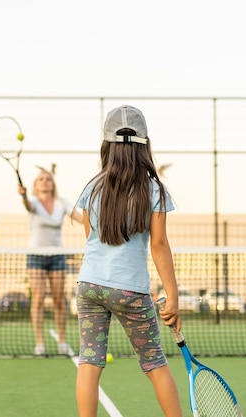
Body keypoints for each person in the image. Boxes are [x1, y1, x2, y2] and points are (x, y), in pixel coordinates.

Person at [74, 105, 183, 417]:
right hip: (130, 292)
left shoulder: (91, 187)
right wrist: (172, 296)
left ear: (106, 146)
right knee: (154, 364)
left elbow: (89, 236)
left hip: (90, 286)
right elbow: (159, 245)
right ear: (145, 146)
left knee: (89, 362)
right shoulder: (154, 190)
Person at [18, 169, 83, 356]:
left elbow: (79, 218)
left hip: (57, 255)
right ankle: (40, 343)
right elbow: (28, 206)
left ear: (53, 183)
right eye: (41, 179)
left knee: (58, 300)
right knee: (37, 299)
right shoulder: (34, 203)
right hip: (36, 256)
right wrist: (23, 196)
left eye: (48, 179)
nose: (45, 182)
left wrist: (99, 221)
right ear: (35, 184)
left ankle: (62, 340)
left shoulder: (62, 203)